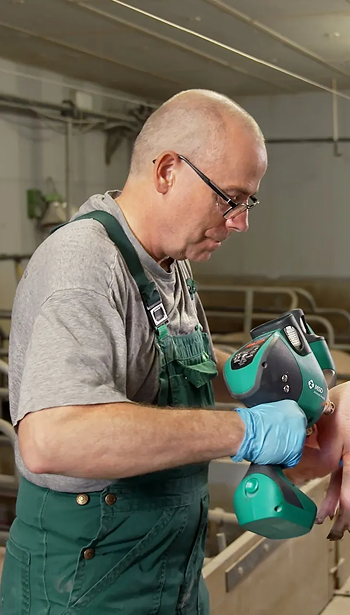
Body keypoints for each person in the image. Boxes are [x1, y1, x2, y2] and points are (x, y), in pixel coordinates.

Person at [1, 89, 308, 614]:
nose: (240, 221)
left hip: (169, 571)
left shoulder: (170, 264)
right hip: (84, 582)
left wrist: (259, 378)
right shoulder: (84, 264)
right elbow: (53, 438)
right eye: (229, 197)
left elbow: (165, 371)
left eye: (247, 201)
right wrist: (244, 430)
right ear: (167, 170)